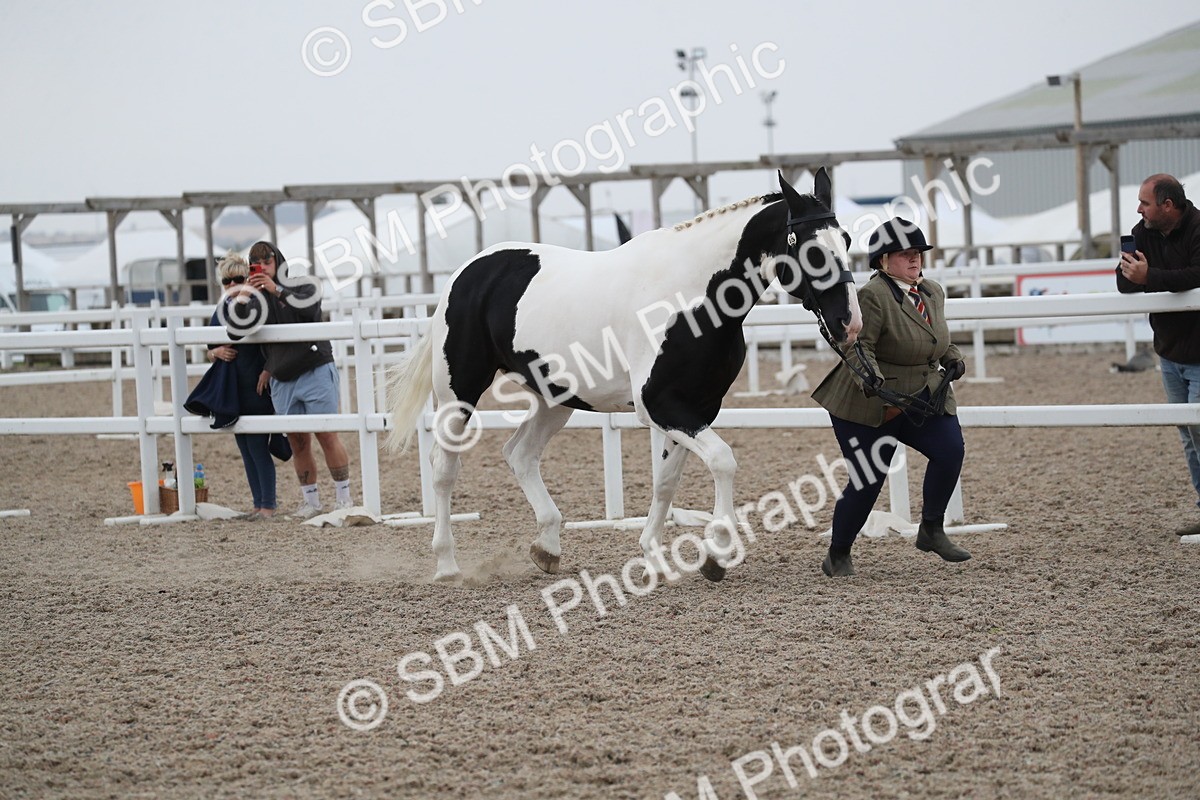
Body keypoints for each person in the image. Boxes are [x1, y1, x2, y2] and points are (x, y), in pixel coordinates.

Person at [811, 217, 970, 577]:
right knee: (869, 477)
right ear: (883, 260)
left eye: (917, 254)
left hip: (922, 396)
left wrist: (953, 358)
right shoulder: (872, 296)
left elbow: (937, 336)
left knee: (950, 451)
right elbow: (856, 344)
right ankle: (838, 553)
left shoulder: (932, 291)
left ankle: (931, 528)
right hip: (869, 403)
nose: (914, 261)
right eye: (905, 255)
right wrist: (872, 378)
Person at [243, 241, 355, 518]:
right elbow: (240, 328)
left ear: (278, 260)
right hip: (283, 375)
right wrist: (245, 294)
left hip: (315, 367)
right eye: (256, 262)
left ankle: (344, 498)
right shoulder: (256, 298)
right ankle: (311, 502)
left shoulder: (303, 284)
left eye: (267, 260)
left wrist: (276, 290)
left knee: (327, 434)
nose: (263, 266)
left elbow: (308, 309)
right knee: (297, 441)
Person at [1116, 174, 1200, 536]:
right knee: (1187, 433)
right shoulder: (1143, 230)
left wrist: (1149, 275)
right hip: (1169, 352)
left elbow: (1197, 275)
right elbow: (1123, 282)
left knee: (1198, 432)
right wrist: (1141, 275)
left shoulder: (1199, 228)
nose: (1139, 208)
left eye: (1145, 202)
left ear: (1168, 205)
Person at [185, 253, 290, 519]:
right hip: (234, 388)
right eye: (227, 281)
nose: (232, 285)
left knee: (256, 445)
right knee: (245, 447)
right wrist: (216, 352)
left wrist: (268, 370)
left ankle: (267, 505)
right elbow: (209, 345)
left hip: (256, 385)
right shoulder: (221, 309)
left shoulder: (258, 305)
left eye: (238, 279)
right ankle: (259, 504)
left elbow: (274, 342)